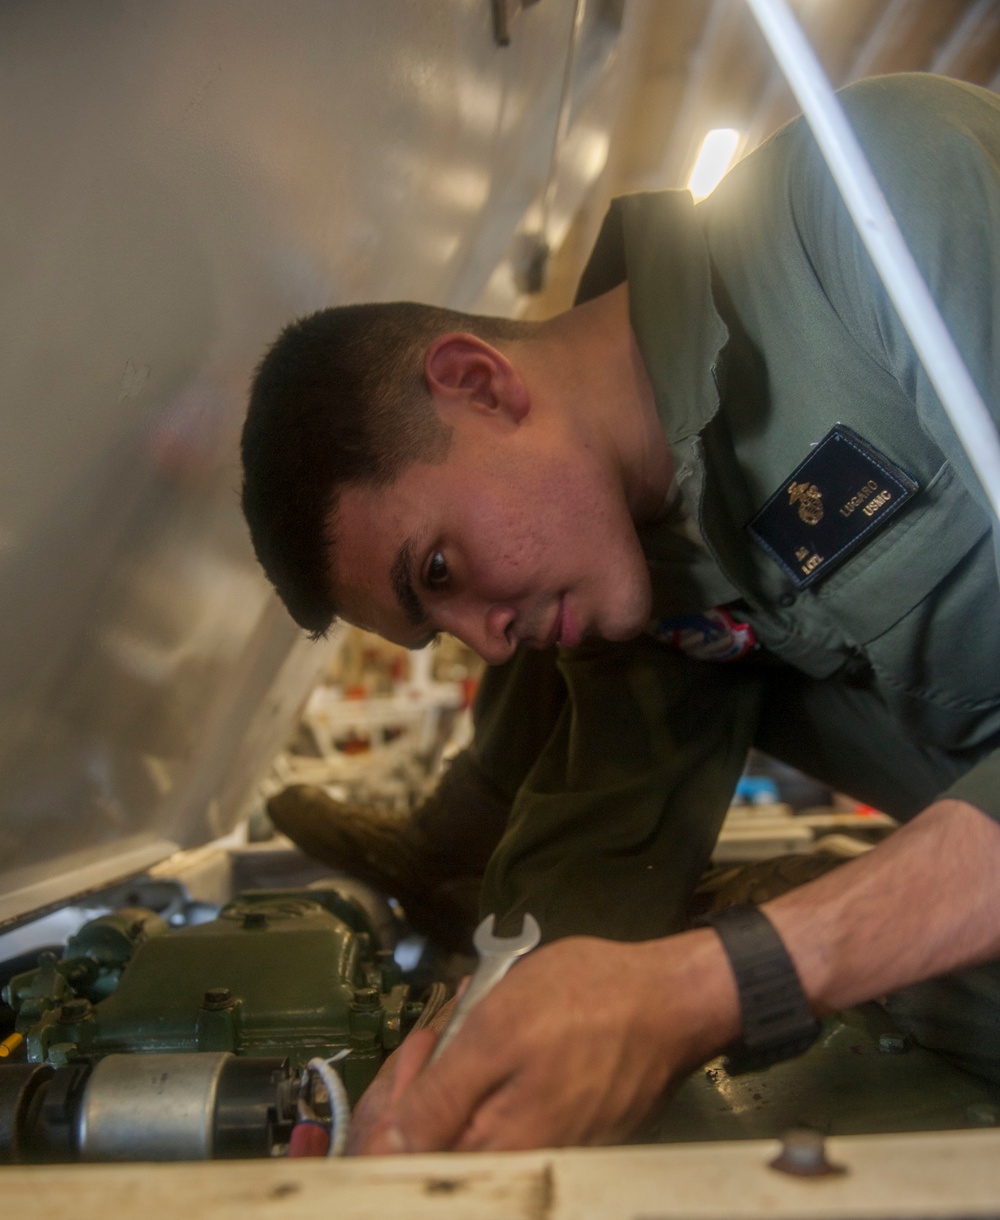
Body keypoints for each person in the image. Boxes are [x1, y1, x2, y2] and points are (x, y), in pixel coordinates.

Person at [241, 73, 1000, 1153]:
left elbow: (697, 978)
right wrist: (451, 1086)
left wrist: (722, 976)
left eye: (441, 570)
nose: (486, 638)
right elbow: (594, 850)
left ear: (478, 383)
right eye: (438, 629)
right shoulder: (633, 575)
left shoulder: (873, 215)